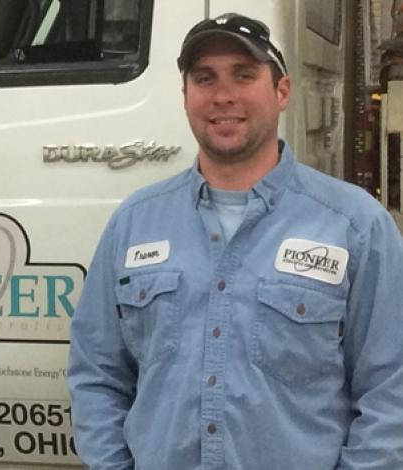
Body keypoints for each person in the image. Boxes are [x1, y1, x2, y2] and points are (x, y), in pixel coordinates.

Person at [67, 13, 403, 470]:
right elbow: (97, 376)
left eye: (244, 75)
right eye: (204, 78)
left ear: (282, 91)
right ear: (185, 96)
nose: (223, 95)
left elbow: (391, 388)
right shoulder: (133, 223)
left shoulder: (356, 225)